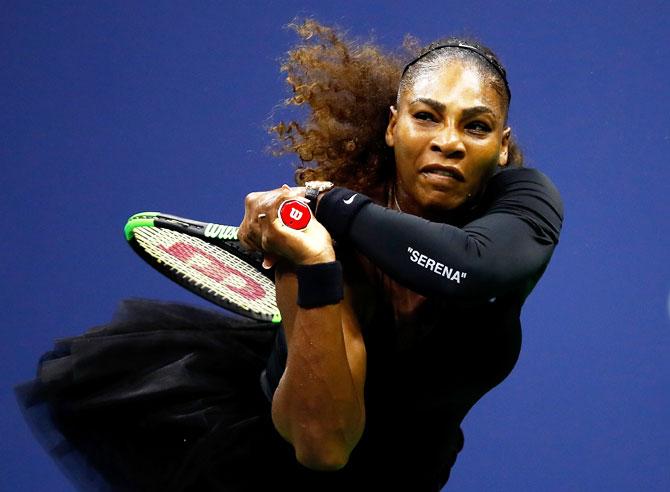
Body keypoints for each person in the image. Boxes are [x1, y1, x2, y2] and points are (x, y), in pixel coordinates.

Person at [16, 20, 562, 492]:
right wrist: (320, 267)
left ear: (504, 147)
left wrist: (331, 202)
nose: (450, 140)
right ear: (393, 126)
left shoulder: (524, 202)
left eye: (476, 125)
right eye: (426, 117)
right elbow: (325, 447)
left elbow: (473, 266)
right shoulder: (328, 250)